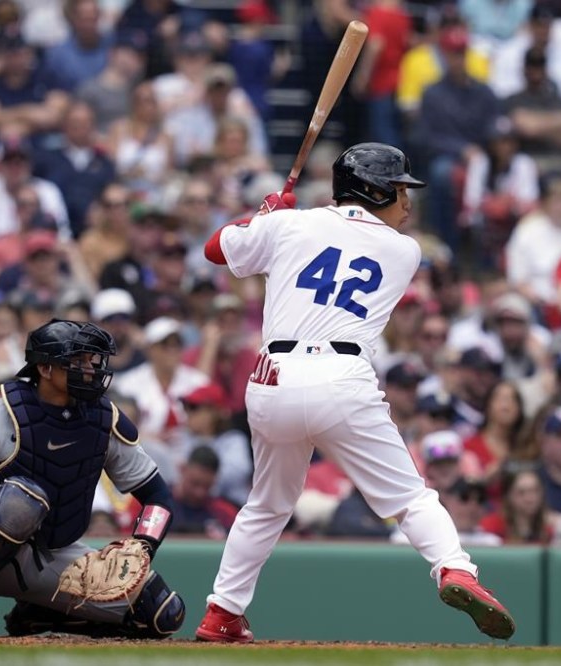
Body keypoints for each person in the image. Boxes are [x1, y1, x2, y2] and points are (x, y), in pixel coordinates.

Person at [195, 143, 516, 643]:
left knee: (266, 505)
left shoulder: (291, 224)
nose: (407, 202)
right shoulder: (403, 251)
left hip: (272, 377)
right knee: (409, 498)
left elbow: (215, 250)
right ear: (374, 189)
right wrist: (276, 222)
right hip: (341, 377)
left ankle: (222, 612)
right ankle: (455, 569)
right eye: (400, 189)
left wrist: (262, 215)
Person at [0, 319, 185, 638]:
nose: (90, 369)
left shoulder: (103, 419)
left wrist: (143, 545)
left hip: (53, 552)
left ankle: (41, 613)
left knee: (161, 612)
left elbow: (158, 497)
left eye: (92, 360)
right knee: (22, 499)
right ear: (45, 369)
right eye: (78, 361)